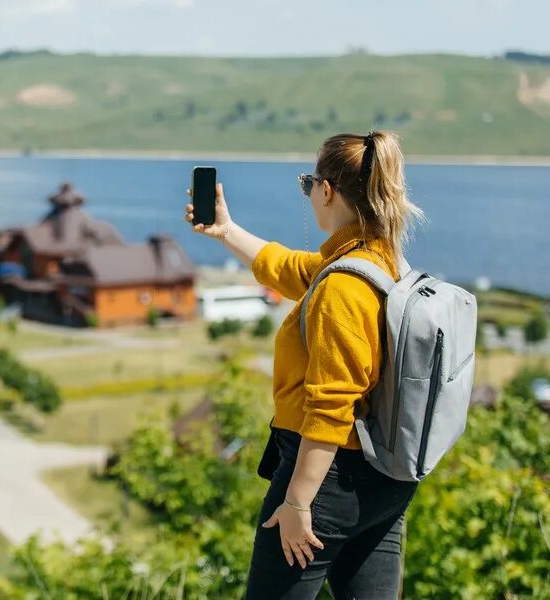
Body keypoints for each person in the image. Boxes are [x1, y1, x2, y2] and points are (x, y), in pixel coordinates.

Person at [183, 130, 429, 599]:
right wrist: (226, 230)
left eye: (308, 183)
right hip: (386, 480)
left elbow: (331, 409)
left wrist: (298, 501)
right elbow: (294, 271)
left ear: (328, 190)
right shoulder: (381, 263)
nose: (309, 193)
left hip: (326, 482)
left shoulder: (342, 288)